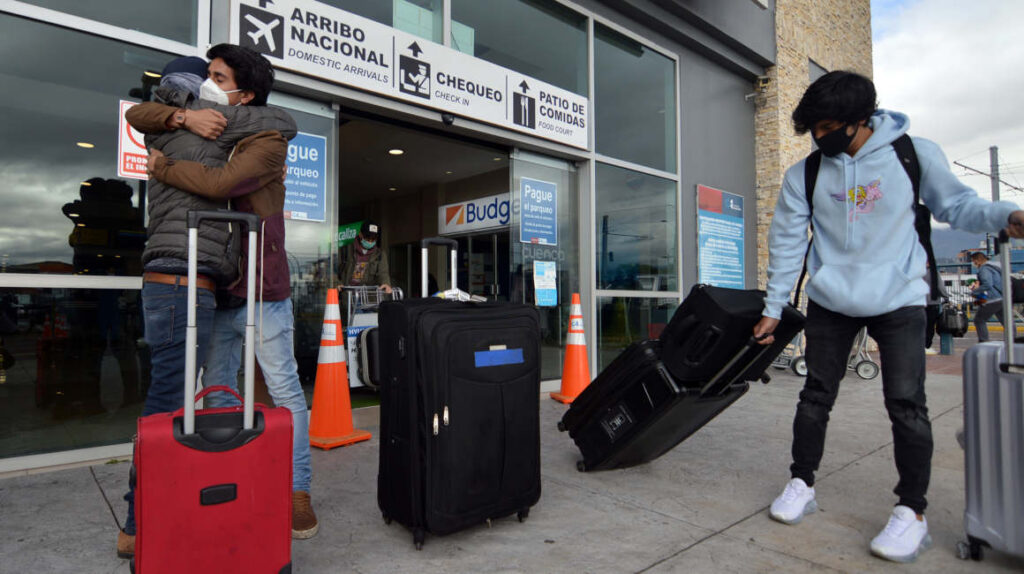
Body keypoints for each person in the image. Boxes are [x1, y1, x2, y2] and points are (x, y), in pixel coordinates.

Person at [752, 70, 1024, 563]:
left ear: (862, 120)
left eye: (831, 126)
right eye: (814, 128)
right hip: (832, 298)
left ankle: (911, 512)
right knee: (815, 395)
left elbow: (957, 205)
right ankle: (801, 483)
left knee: (905, 403)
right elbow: (788, 244)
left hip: (900, 295)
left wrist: (1003, 216)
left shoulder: (912, 154)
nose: (820, 136)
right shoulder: (806, 174)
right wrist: (774, 308)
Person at [117, 54, 300, 558]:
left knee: (189, 400)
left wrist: (174, 133)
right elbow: (142, 116)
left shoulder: (211, 129)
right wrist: (185, 116)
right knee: (170, 405)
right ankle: (140, 521)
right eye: (204, 80)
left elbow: (275, 128)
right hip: (182, 279)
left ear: (242, 94)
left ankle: (217, 499)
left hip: (216, 284)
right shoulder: (201, 127)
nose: (208, 86)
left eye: (217, 78)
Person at [339, 220, 392, 293]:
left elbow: (383, 273)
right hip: (347, 296)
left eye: (373, 239)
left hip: (368, 297)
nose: (370, 241)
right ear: (360, 234)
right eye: (367, 238)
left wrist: (386, 283)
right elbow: (332, 270)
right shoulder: (345, 251)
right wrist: (336, 283)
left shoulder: (380, 255)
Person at [970, 251, 1005, 342]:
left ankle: (983, 341)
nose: (973, 263)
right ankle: (1012, 340)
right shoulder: (994, 268)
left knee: (979, 319)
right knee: (1006, 321)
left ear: (977, 260)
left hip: (992, 299)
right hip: (1001, 297)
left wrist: (975, 292)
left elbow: (988, 284)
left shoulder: (984, 269)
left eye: (973, 261)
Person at [923, 265, 949, 355]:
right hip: (932, 302)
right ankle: (926, 346)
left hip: (917, 303)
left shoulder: (915, 271)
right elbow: (940, 287)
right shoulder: (933, 272)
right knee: (930, 326)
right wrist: (946, 297)